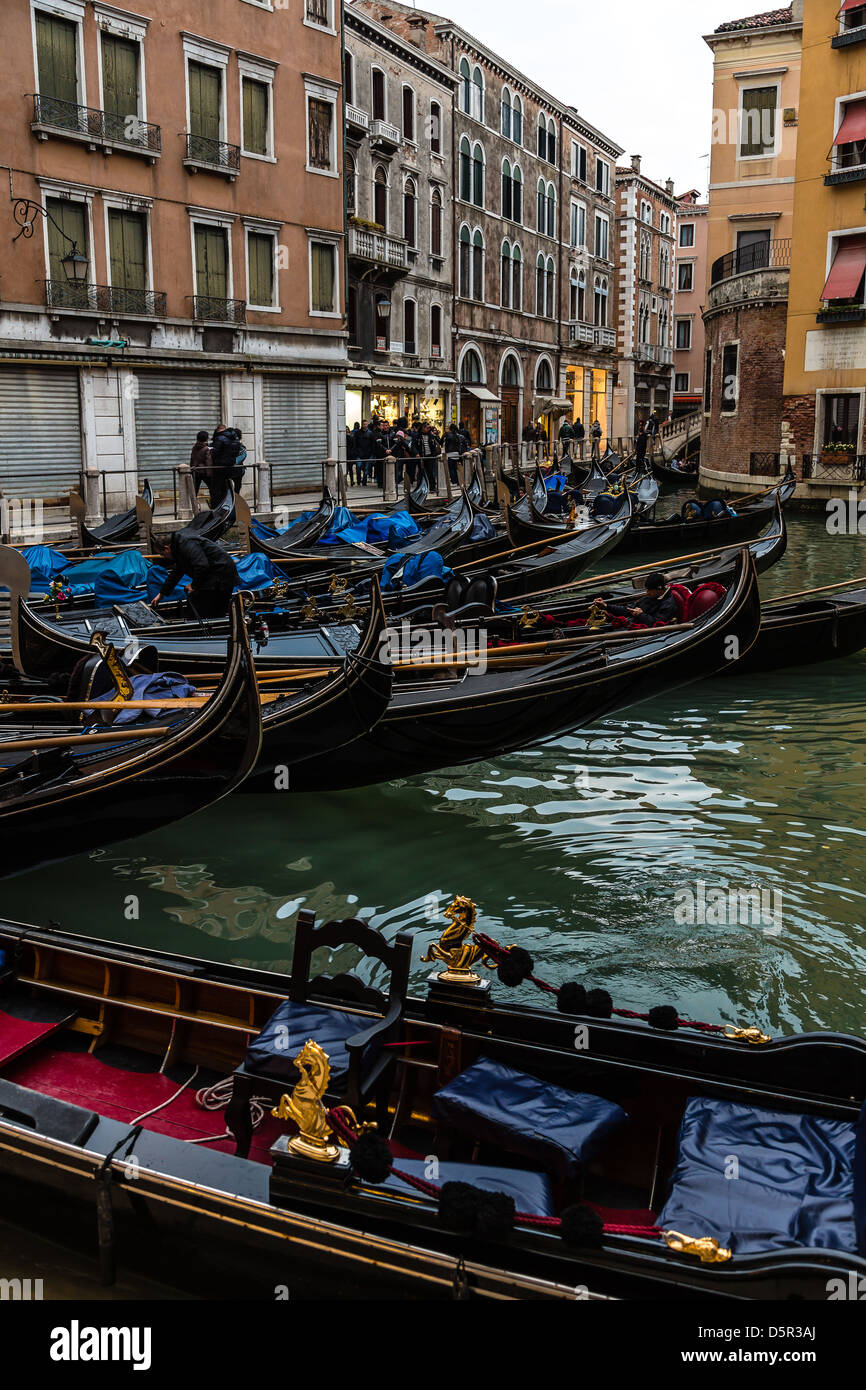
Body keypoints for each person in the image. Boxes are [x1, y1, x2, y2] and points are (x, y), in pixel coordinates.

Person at [151, 530, 239, 619]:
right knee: (200, 606)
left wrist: (194, 586)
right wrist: (161, 594)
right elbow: (176, 573)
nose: (163, 557)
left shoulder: (186, 544)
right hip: (214, 575)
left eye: (162, 554)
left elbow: (201, 565)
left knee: (207, 609)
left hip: (221, 575)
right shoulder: (178, 548)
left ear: (167, 548)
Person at [594, 571, 679, 626]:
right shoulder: (648, 598)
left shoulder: (668, 604)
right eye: (647, 589)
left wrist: (641, 615)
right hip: (632, 623)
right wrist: (606, 606)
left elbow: (658, 624)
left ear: (659, 589)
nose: (647, 593)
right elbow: (627, 609)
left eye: (650, 590)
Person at [190, 430, 211, 498]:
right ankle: (213, 503)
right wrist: (209, 474)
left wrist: (191, 469)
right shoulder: (206, 449)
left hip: (195, 471)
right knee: (212, 487)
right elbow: (208, 462)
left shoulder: (194, 447)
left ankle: (193, 505)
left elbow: (192, 459)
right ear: (206, 439)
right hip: (203, 472)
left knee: (195, 490)